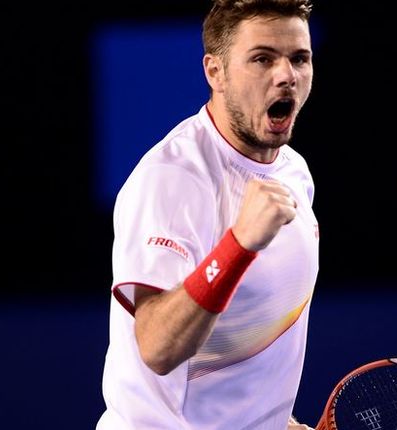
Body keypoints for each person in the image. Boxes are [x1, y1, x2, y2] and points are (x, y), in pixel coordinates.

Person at [95, 1, 318, 428]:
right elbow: (158, 347)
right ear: (214, 72)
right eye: (262, 58)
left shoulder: (295, 172)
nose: (286, 75)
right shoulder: (172, 178)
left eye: (299, 58)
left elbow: (242, 357)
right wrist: (238, 245)